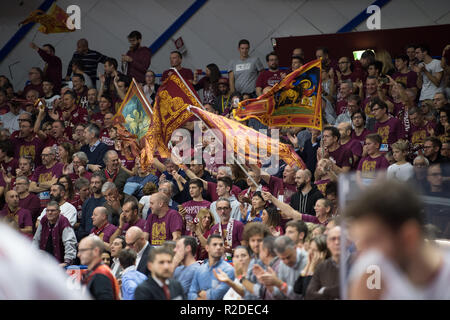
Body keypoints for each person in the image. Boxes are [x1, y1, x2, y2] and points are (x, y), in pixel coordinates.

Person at [345, 180, 450, 299]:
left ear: (409, 237)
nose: (360, 252)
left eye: (371, 242)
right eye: (360, 242)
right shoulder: (372, 276)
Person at [255, 235, 307, 300]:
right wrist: (268, 284)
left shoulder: (307, 261)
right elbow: (280, 296)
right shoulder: (281, 264)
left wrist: (279, 283)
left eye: (288, 257)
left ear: (295, 248)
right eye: (282, 259)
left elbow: (300, 296)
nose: (286, 262)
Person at [188, 234, 235, 300]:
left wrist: (203, 295)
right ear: (207, 248)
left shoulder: (229, 270)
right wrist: (197, 298)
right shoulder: (199, 270)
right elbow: (191, 293)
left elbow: (218, 294)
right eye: (215, 244)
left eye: (221, 245)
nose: (218, 247)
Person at [32, 201, 77, 267]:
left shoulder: (64, 222)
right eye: (48, 210)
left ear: (59, 212)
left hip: (59, 262)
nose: (50, 213)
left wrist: (67, 262)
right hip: (43, 261)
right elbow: (36, 240)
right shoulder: (44, 220)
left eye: (53, 211)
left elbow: (69, 242)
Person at [78, 235, 120, 300]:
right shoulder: (92, 272)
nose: (78, 255)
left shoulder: (101, 275)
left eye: (82, 250)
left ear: (96, 251)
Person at [305, 226, 341, 300]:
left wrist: (324, 291)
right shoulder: (322, 267)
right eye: (333, 239)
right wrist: (309, 265)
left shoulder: (355, 263)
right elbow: (308, 294)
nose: (337, 242)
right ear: (328, 243)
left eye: (340, 239)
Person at [78, 172, 106, 240]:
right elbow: (82, 224)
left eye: (97, 183)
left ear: (103, 184)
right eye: (92, 182)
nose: (94, 185)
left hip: (102, 238)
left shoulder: (106, 202)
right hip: (87, 237)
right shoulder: (87, 202)